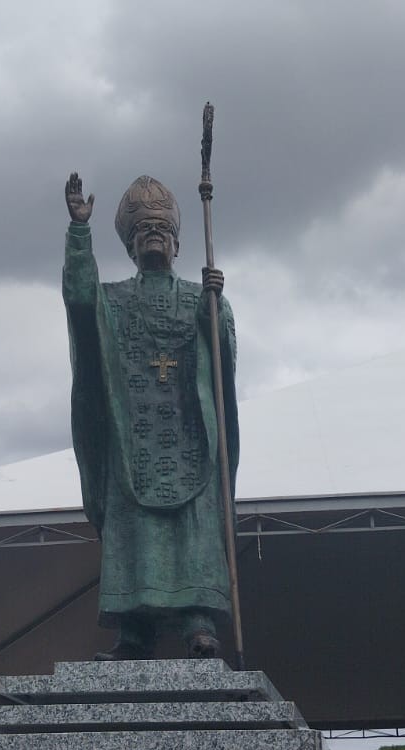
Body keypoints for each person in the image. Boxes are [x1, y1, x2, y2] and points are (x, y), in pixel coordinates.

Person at [62, 172, 238, 660]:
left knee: (193, 528)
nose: (153, 237)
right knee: (133, 531)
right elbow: (80, 304)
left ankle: (199, 622)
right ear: (130, 246)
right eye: (143, 232)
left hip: (189, 435)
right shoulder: (114, 300)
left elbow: (222, 361)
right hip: (131, 436)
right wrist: (80, 234)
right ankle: (133, 632)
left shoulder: (199, 297)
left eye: (161, 231)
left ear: (179, 244)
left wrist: (214, 311)